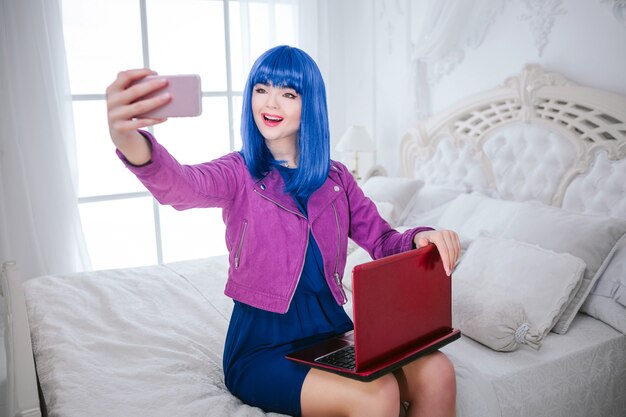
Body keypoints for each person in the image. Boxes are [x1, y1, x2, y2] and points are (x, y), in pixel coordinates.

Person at [106, 45, 460, 417]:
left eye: (288, 94)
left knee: (438, 371)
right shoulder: (239, 171)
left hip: (331, 335)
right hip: (263, 348)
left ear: (310, 106)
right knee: (377, 393)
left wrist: (422, 236)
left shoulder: (337, 177)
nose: (270, 103)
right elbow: (179, 185)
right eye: (262, 89)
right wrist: (127, 138)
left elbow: (384, 240)